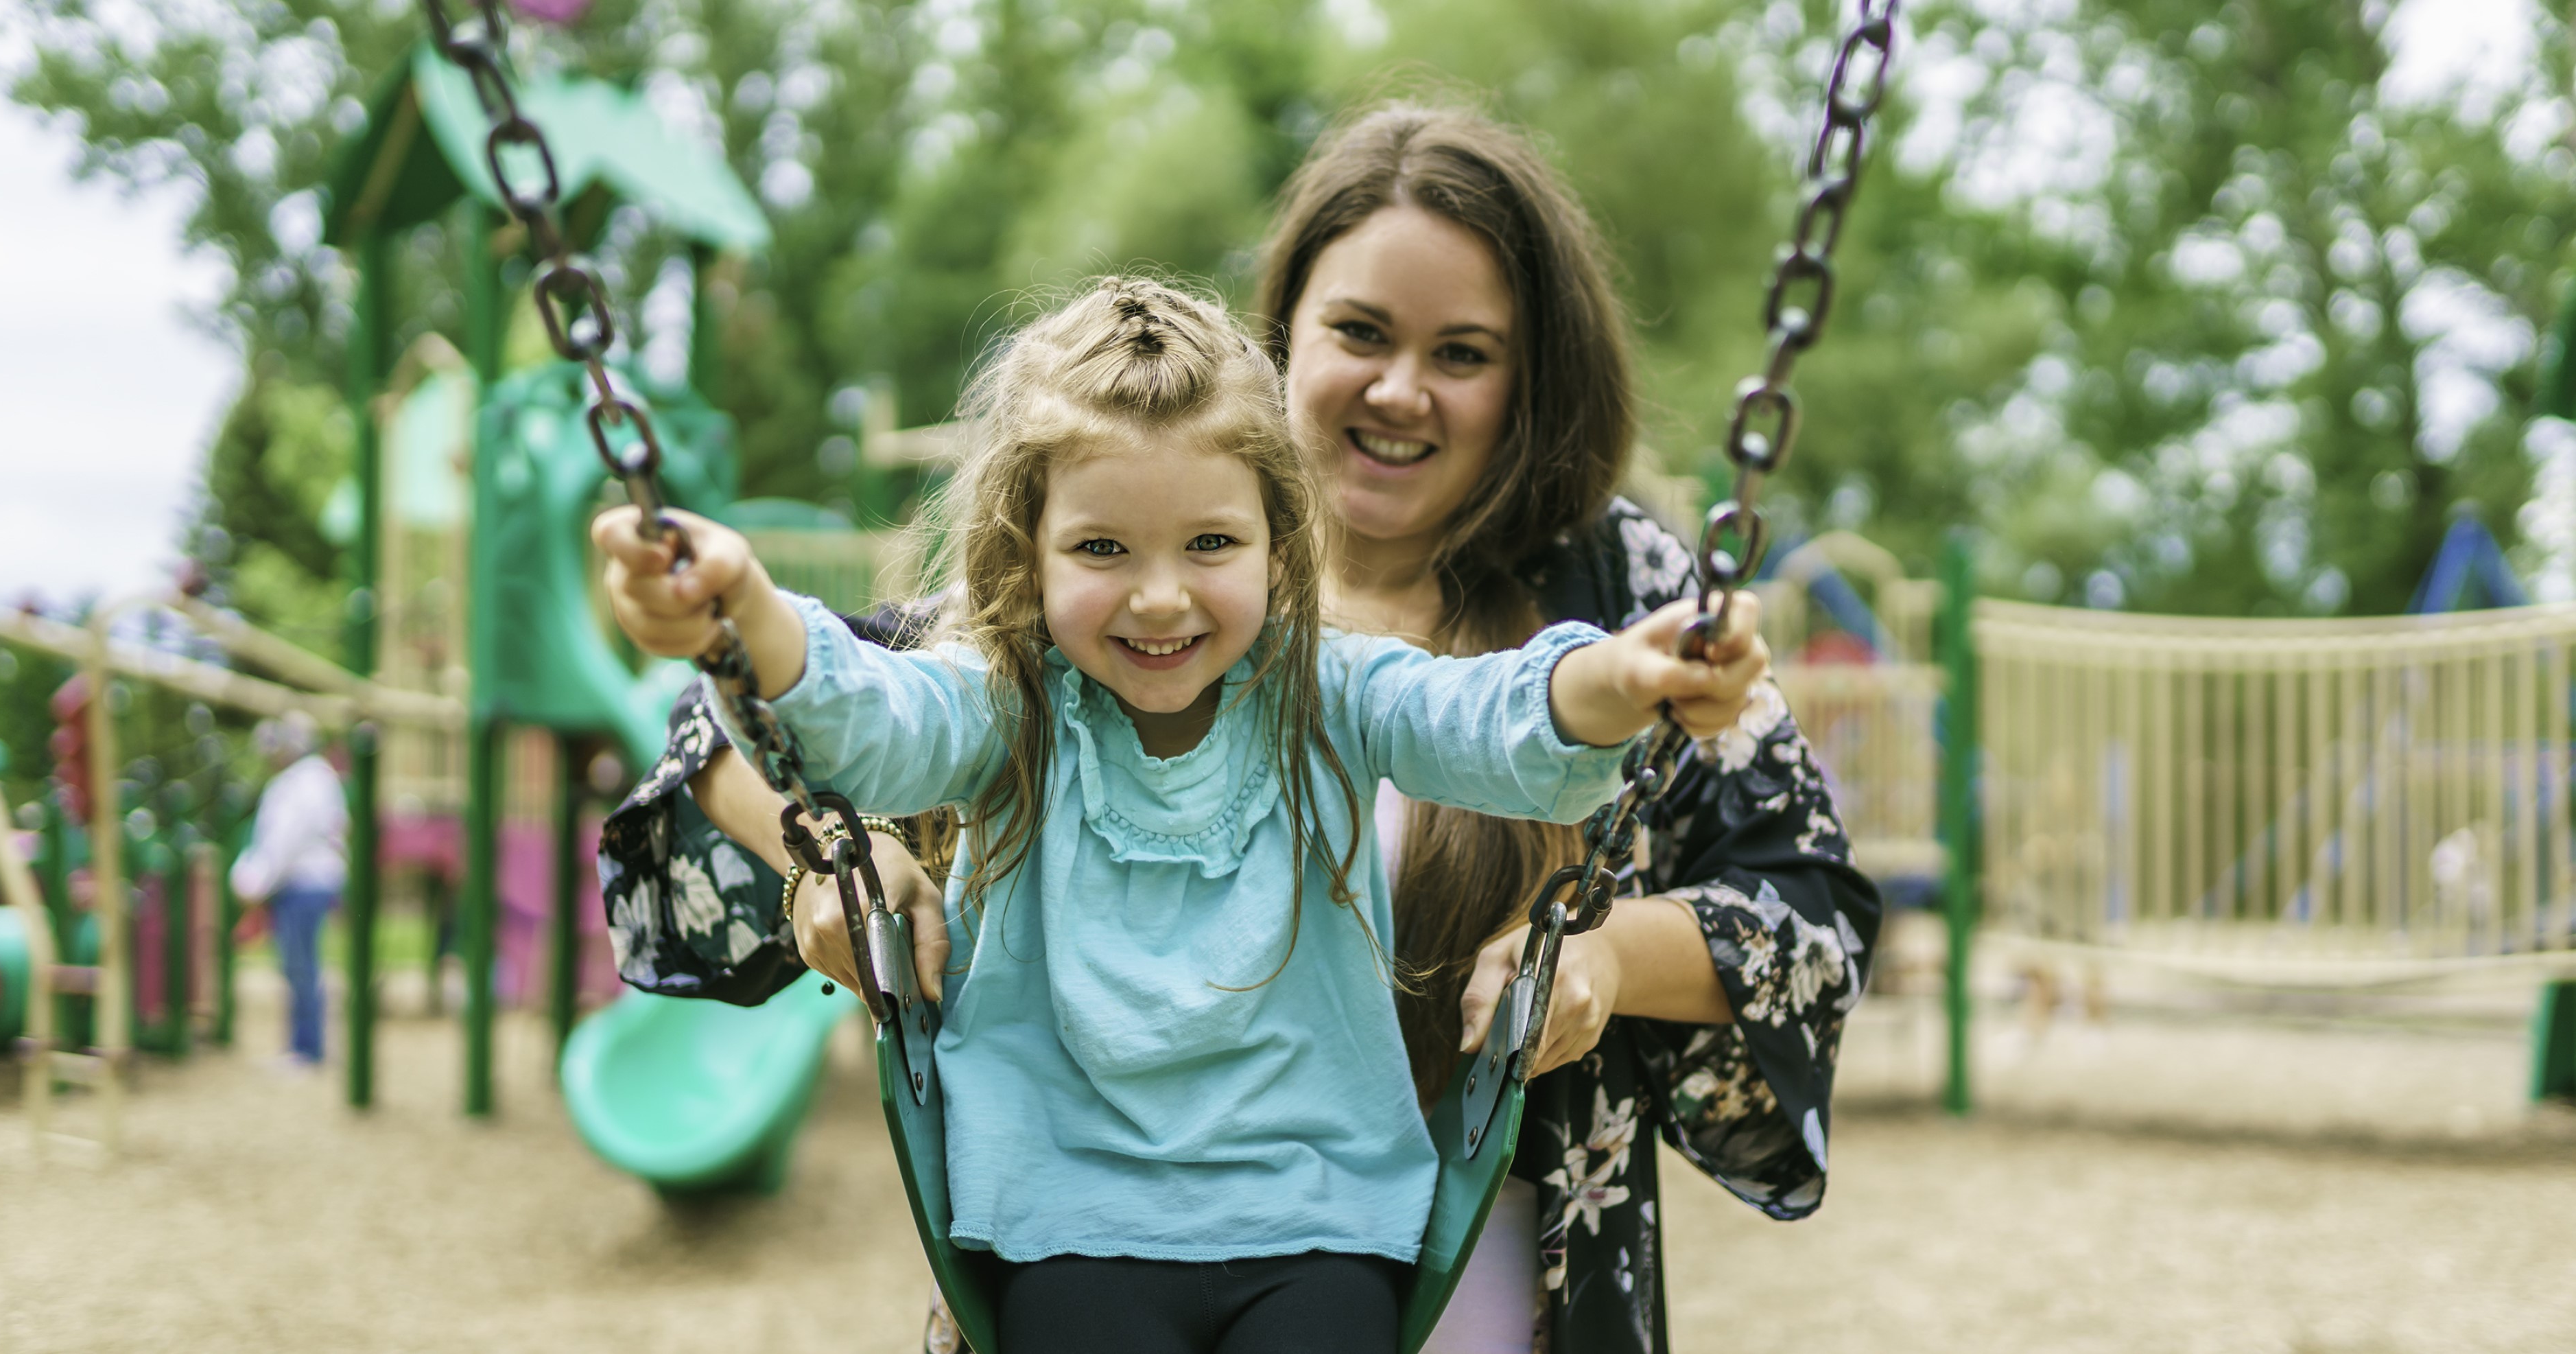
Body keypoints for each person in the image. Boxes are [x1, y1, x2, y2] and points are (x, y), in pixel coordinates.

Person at [601, 104, 1878, 1353]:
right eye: (1361, 331)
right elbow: (785, 717)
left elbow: (1773, 882)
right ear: (1284, 340)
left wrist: (1607, 917)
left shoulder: (1612, 588)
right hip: (1078, 1210)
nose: (1400, 389)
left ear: (1533, 378)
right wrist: (832, 836)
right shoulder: (1080, 591)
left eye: (1465, 352)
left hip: (1400, 1231)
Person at [228, 710, 347, 1069]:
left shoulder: (299, 783)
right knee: (303, 967)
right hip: (312, 883)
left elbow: (283, 842)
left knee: (300, 968)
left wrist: (253, 883)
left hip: (301, 885)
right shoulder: (318, 778)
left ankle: (306, 1049)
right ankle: (304, 1046)